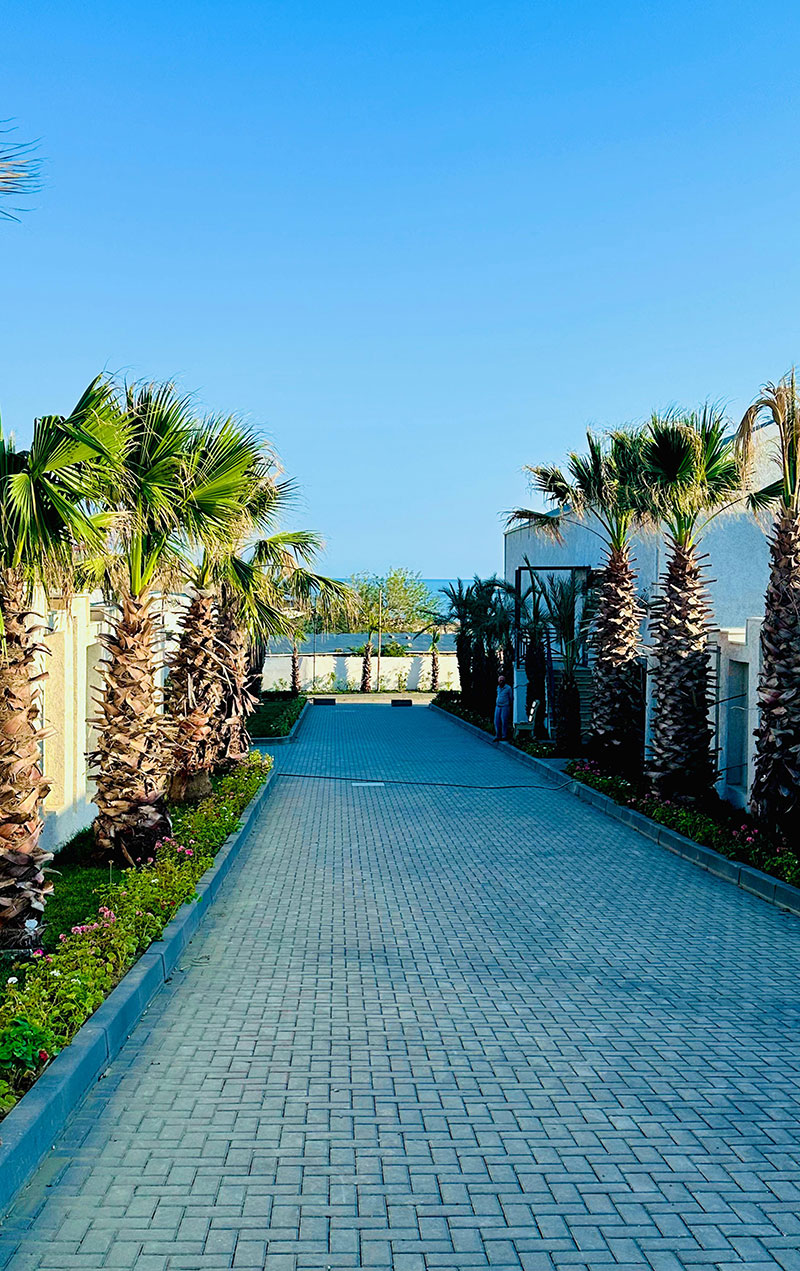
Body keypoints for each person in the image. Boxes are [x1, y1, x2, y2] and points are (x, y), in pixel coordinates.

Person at [493, 674, 513, 742]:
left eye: (502, 680)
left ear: (504, 681)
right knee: (496, 721)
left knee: (504, 721)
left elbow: (511, 697)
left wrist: (509, 705)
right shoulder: (498, 687)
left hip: (505, 706)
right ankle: (497, 735)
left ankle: (504, 736)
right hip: (498, 706)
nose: (501, 682)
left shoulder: (508, 688)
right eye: (500, 680)